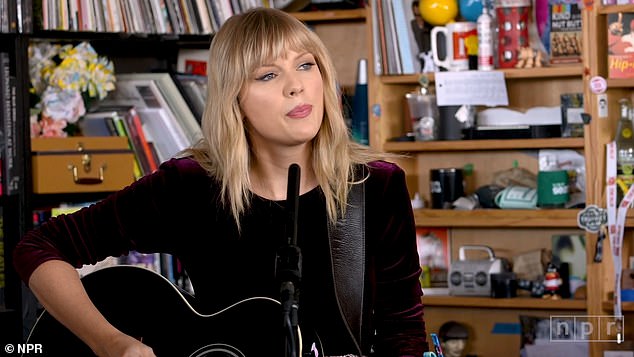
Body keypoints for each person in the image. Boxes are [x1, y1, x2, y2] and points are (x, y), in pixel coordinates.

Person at [13, 7, 428, 357]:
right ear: (235, 100)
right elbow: (38, 247)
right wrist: (111, 343)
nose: (296, 85)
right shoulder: (189, 185)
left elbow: (403, 332)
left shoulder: (376, 187)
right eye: (268, 75)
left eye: (306, 64)